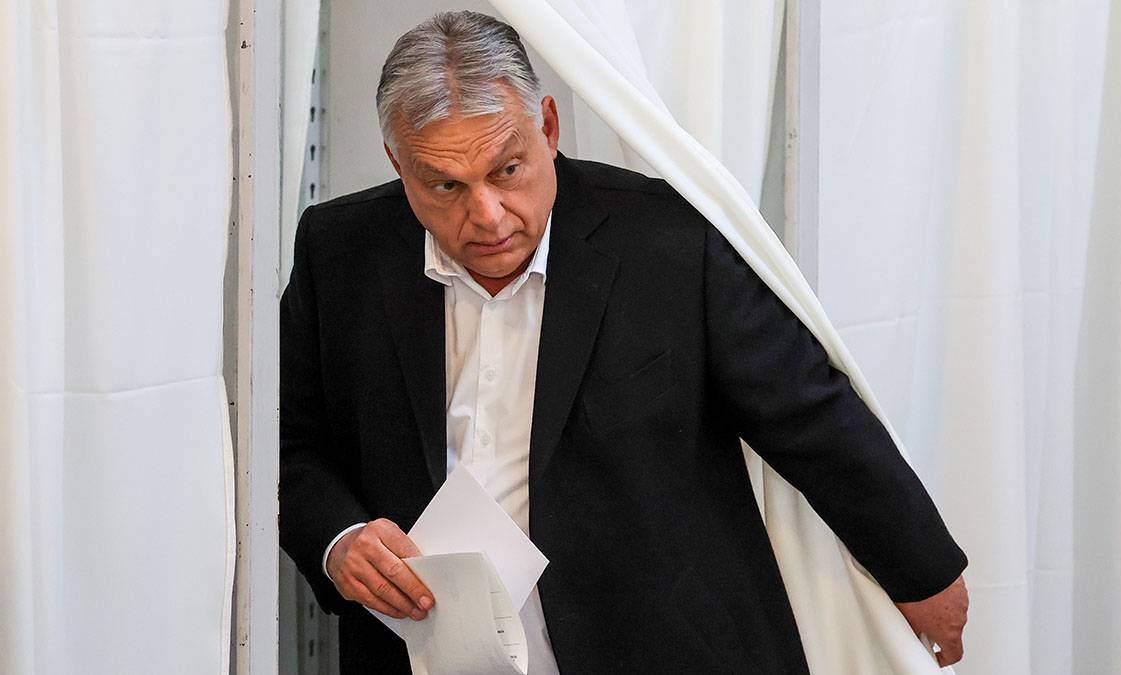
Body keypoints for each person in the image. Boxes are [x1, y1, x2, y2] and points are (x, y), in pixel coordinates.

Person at [280, 10, 968, 674]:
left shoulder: (668, 239)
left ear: (548, 128)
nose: (486, 214)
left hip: (664, 645)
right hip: (430, 652)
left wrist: (924, 572)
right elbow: (289, 446)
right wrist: (339, 541)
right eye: (445, 185)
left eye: (507, 170)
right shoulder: (338, 253)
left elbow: (808, 413)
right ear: (397, 163)